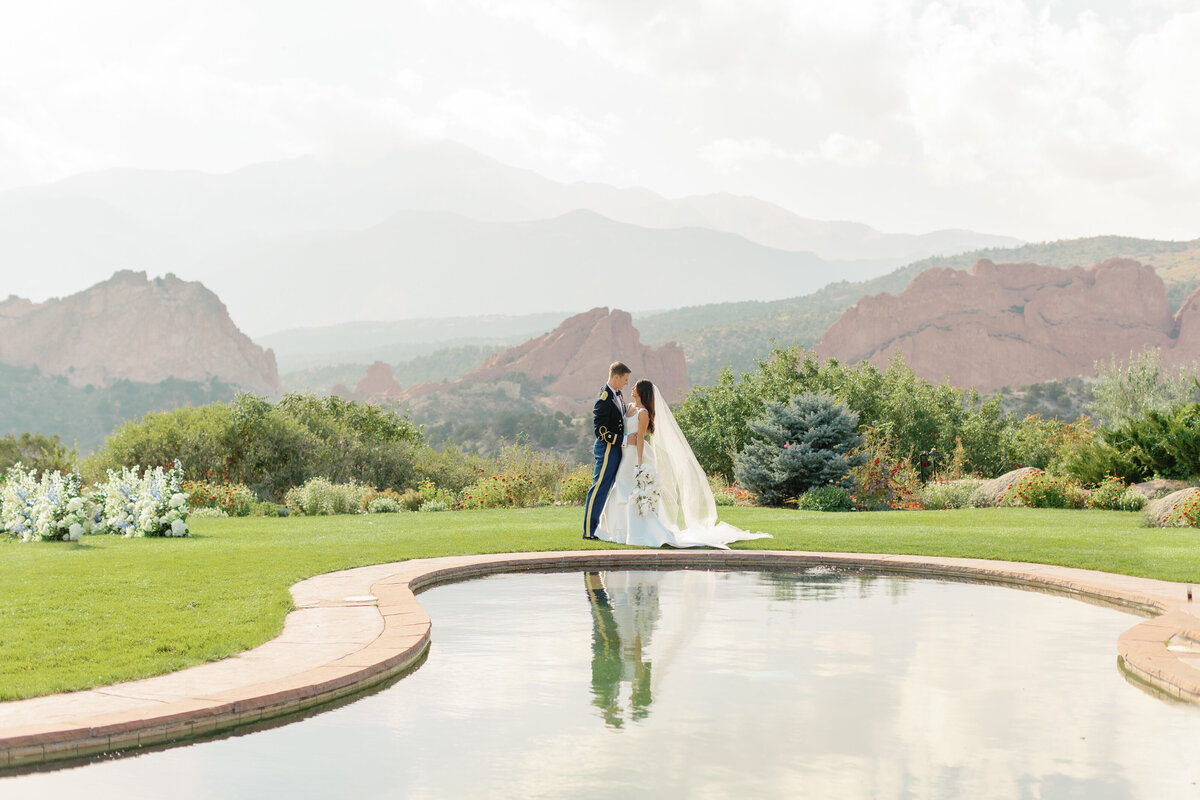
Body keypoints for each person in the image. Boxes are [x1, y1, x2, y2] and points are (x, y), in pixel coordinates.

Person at [596, 378, 771, 549]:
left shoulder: (643, 414)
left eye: (635, 386)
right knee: (620, 492)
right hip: (624, 455)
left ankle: (640, 533)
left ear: (642, 392)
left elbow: (640, 439)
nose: (632, 387)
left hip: (636, 457)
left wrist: (640, 465)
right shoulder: (628, 407)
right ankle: (618, 532)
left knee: (634, 493)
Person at [583, 362, 634, 540]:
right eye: (625, 379)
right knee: (599, 487)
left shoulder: (618, 395)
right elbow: (601, 431)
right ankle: (589, 531)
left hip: (616, 449)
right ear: (616, 377)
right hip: (607, 449)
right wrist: (625, 440)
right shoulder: (604, 399)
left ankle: (600, 528)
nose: (627, 383)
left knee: (609, 487)